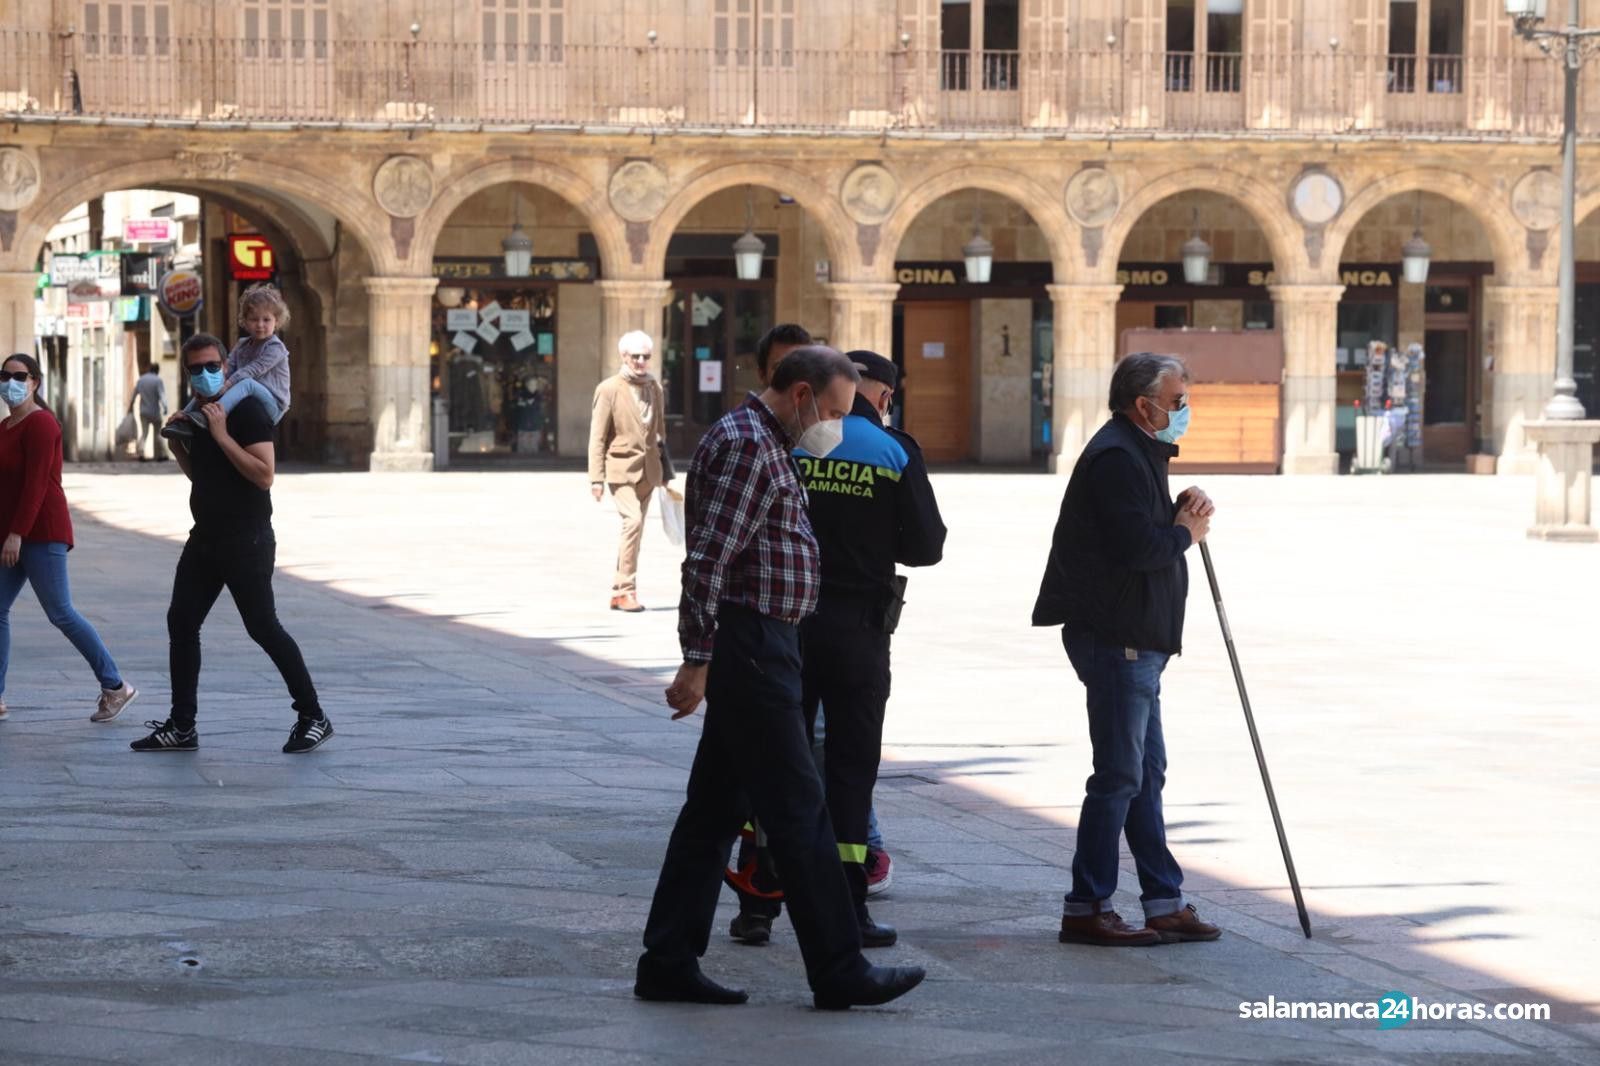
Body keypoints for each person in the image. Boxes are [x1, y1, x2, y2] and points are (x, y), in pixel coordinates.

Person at [637, 346, 924, 1011]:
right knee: (800, 810)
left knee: (711, 813)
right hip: (753, 645)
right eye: (830, 413)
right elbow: (707, 559)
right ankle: (839, 966)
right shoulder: (748, 446)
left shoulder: (765, 440)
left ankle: (669, 959)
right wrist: (697, 657)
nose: (833, 427)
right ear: (799, 395)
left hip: (768, 641)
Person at [729, 350, 944, 950]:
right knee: (851, 770)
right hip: (859, 631)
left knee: (776, 763)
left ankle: (757, 904)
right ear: (883, 396)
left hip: (786, 625)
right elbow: (927, 548)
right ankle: (850, 906)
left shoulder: (791, 441)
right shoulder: (894, 450)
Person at [1032, 352, 1222, 947]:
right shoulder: (1117, 456)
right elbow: (1138, 547)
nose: (1182, 411)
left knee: (1144, 771)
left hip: (1137, 637)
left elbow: (1133, 530)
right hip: (1117, 638)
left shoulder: (1138, 451)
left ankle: (1163, 899)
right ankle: (1086, 905)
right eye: (1177, 401)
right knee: (1118, 774)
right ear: (1145, 406)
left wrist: (1176, 512)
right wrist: (1183, 533)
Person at [132, 334, 330, 754]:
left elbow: (264, 475)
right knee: (181, 623)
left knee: (263, 627)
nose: (205, 375)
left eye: (212, 366)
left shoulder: (248, 411)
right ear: (186, 374)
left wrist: (221, 434)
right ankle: (182, 726)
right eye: (195, 369)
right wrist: (178, 447)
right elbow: (202, 477)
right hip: (205, 536)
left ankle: (313, 716)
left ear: (227, 365)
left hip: (247, 538)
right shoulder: (199, 414)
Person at [0, 353, 138, 723]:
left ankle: (115, 686)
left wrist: (16, 533)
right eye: (5, 375)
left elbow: (36, 485)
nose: (10, 382)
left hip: (41, 532)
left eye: (19, 375)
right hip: (13, 534)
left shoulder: (42, 425)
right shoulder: (6, 426)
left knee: (60, 611)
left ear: (35, 382)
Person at [588, 329, 669, 613]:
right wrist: (596, 478)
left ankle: (619, 590)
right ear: (623, 356)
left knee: (635, 531)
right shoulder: (609, 389)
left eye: (645, 356)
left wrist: (666, 472)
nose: (640, 361)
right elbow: (597, 437)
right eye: (634, 356)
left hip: (648, 471)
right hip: (620, 469)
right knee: (632, 522)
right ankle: (625, 590)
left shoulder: (655, 388)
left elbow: (660, 433)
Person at [163, 285, 291, 442]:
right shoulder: (243, 344)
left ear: (276, 321)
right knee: (210, 380)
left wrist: (227, 385)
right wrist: (212, 388)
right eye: (254, 319)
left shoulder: (275, 347)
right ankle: (183, 418)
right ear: (245, 321)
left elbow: (252, 371)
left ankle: (210, 415)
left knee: (247, 382)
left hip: (273, 404)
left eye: (266, 320)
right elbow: (227, 368)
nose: (260, 325)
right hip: (248, 399)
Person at [130, 362, 168, 461]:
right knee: (159, 433)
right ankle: (163, 454)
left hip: (143, 411)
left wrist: (131, 405)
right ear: (157, 371)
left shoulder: (141, 380)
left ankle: (141, 453)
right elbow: (162, 395)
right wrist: (165, 407)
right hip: (155, 411)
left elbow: (134, 394)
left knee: (144, 433)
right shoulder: (158, 380)